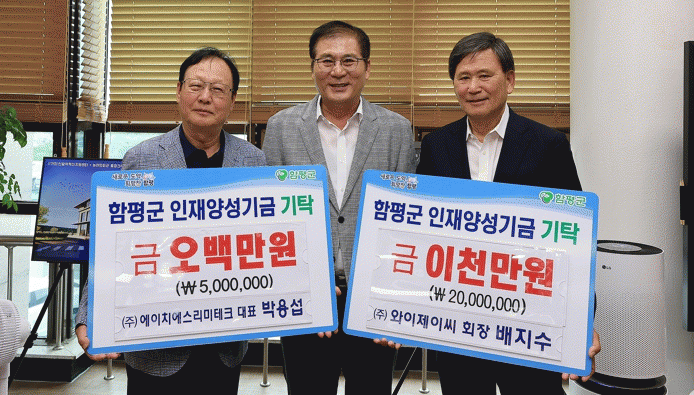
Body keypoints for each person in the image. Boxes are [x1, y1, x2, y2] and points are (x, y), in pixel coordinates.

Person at [416, 31, 601, 395]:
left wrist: (582, 318)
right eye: (463, 77)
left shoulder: (548, 144)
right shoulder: (436, 146)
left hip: (528, 318)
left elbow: (574, 238)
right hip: (458, 320)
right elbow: (422, 234)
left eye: (484, 75)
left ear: (510, 80)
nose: (473, 87)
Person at [75, 47, 267, 394]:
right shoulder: (141, 159)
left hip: (224, 344)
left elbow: (266, 242)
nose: (205, 97)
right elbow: (111, 245)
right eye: (196, 86)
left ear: (232, 100)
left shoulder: (253, 161)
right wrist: (90, 313)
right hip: (155, 346)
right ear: (179, 91)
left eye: (218, 89)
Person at [262, 20, 416, 395]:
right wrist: (303, 283)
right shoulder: (281, 127)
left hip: (372, 299)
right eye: (326, 60)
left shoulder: (397, 129)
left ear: (367, 67)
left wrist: (393, 298)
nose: (338, 71)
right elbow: (272, 216)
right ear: (313, 66)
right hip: (306, 296)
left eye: (349, 60)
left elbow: (406, 223)